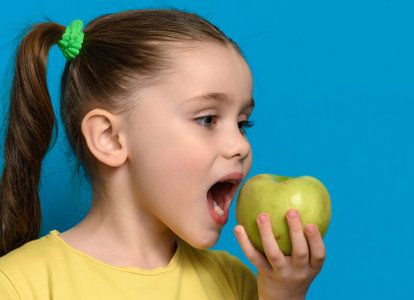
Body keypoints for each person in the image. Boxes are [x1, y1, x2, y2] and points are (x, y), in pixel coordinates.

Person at [0, 9, 326, 299]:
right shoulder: (18, 284)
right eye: (208, 119)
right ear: (110, 138)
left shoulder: (236, 282)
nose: (241, 146)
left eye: (243, 123)